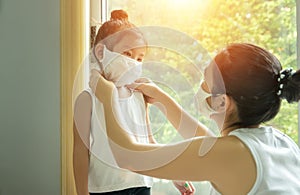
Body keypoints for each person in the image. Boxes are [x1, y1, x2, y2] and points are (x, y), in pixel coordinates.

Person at [90, 43, 300, 194]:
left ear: (221, 102)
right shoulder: (280, 142)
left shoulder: (231, 153)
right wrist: (164, 101)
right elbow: (211, 145)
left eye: (205, 81)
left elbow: (129, 157)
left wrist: (108, 99)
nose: (200, 86)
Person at [73, 10, 194, 195]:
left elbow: (148, 142)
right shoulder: (87, 99)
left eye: (139, 58)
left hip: (142, 184)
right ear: (101, 52)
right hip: (106, 188)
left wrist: (172, 174)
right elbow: (80, 151)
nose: (134, 63)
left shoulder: (139, 96)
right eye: (128, 54)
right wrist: (81, 192)